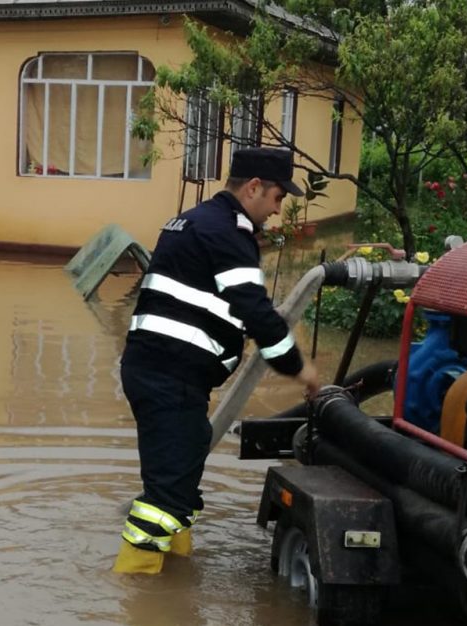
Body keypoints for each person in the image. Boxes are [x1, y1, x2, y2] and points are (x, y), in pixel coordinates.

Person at [112, 147, 321, 575]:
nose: (278, 211)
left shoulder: (194, 219)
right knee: (166, 496)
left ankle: (173, 580)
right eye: (278, 198)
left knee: (178, 483)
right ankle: (136, 594)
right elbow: (256, 311)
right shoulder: (226, 232)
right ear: (253, 187)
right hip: (170, 377)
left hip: (160, 371)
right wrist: (299, 368)